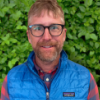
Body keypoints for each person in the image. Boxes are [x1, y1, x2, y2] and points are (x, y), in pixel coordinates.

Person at [1, 0, 99, 100]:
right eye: (38, 28)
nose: (46, 37)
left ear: (64, 35)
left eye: (54, 27)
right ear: (29, 36)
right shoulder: (11, 81)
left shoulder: (85, 79)